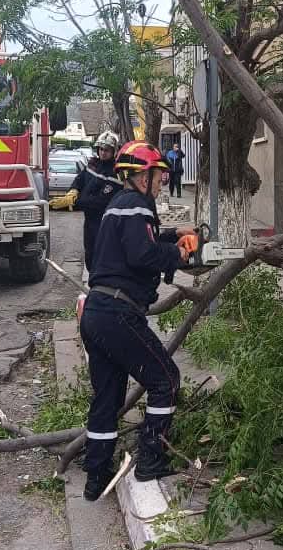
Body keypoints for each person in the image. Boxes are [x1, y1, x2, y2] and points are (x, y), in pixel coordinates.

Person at [79, 141, 197, 501]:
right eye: (158, 177)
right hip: (118, 313)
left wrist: (172, 234)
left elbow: (138, 241)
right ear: (141, 177)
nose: (161, 183)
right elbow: (142, 254)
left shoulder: (118, 205)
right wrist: (177, 253)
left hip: (97, 312)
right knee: (165, 380)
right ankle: (151, 459)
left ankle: (96, 475)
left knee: (107, 398)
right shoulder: (138, 205)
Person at [50, 131, 122, 271]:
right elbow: (80, 179)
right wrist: (73, 191)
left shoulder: (114, 174)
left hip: (102, 222)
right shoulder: (93, 164)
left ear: (114, 151)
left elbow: (100, 202)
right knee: (89, 254)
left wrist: (75, 203)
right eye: (101, 149)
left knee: (100, 257)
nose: (103, 152)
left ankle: (98, 282)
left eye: (107, 150)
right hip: (89, 221)